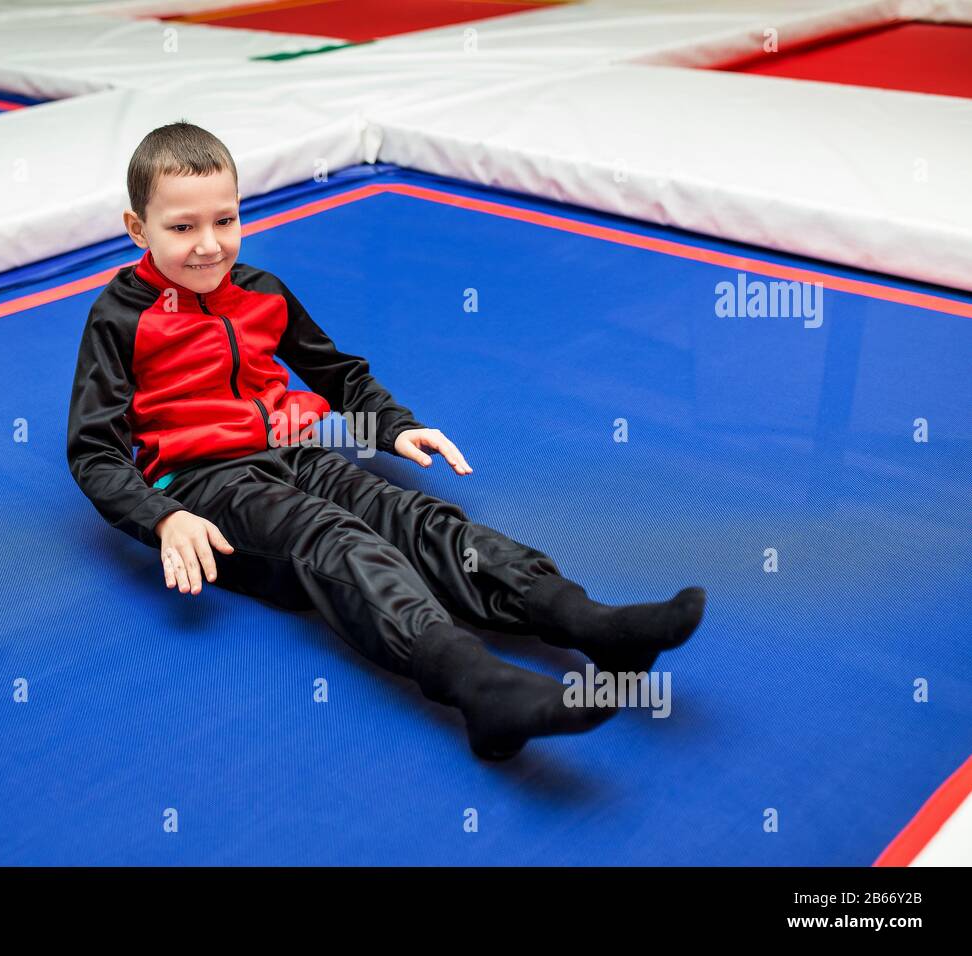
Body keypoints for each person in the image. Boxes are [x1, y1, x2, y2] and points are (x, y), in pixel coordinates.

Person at [67, 121, 705, 760]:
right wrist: (165, 518)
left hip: (297, 455)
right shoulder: (120, 319)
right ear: (137, 228)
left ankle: (586, 622)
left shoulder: (262, 293)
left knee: (414, 516)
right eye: (182, 228)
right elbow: (95, 450)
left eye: (225, 221)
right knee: (337, 540)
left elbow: (337, 374)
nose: (209, 245)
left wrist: (393, 426)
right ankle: (478, 686)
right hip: (207, 487)